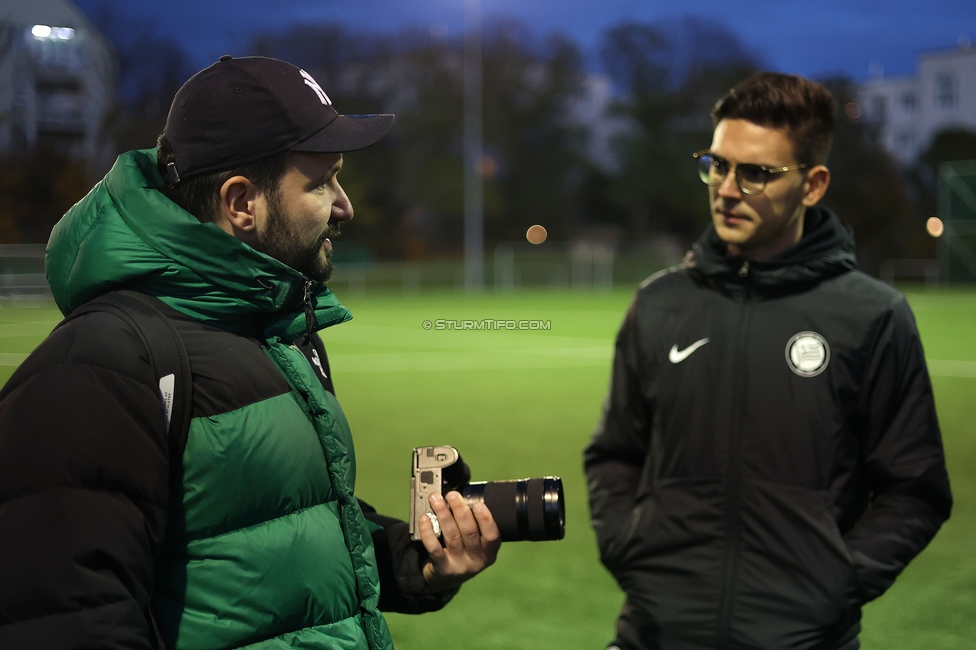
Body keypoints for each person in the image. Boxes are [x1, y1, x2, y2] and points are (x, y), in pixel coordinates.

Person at [0, 56, 500, 649]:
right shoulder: (101, 363)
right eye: (321, 182)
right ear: (242, 203)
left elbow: (285, 529)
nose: (345, 206)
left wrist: (416, 557)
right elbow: (67, 623)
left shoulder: (280, 334)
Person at [584, 72, 952, 650]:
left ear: (813, 184)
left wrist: (835, 581)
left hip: (804, 639)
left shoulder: (873, 316)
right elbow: (615, 453)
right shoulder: (660, 304)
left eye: (756, 173)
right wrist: (630, 550)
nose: (727, 189)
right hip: (654, 634)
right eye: (718, 164)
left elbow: (915, 489)